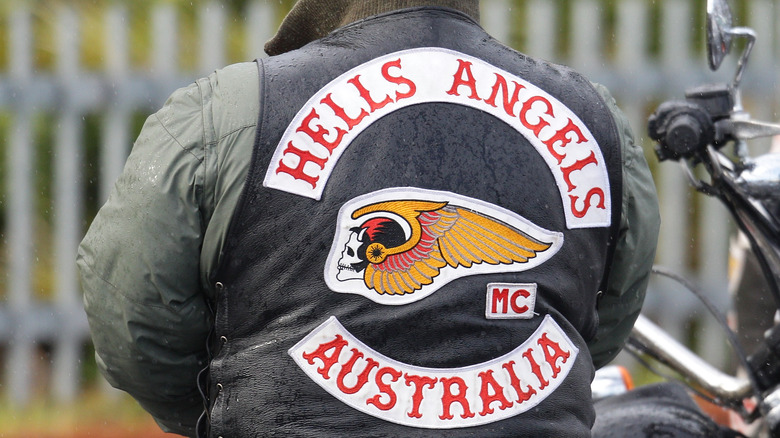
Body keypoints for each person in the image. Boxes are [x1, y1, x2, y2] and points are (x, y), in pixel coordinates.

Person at [77, 1, 660, 436]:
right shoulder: (592, 116)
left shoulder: (228, 111)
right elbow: (603, 312)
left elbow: (132, 316)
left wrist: (223, 406)